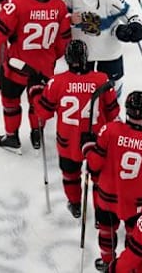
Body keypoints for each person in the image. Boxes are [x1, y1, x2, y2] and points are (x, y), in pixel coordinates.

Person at [84, 91, 142, 272]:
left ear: (127, 109)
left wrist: (87, 147)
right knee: (135, 235)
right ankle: (129, 266)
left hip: (107, 196)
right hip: (138, 201)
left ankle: (108, 262)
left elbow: (94, 165)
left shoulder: (109, 130)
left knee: (107, 231)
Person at [0, 0, 71, 153]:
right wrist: (49, 56)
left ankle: (12, 137)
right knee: (38, 103)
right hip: (44, 67)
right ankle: (37, 133)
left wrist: (11, 39)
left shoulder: (17, 3)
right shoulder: (60, 7)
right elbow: (64, 45)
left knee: (11, 101)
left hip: (16, 66)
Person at [36, 39, 120, 218]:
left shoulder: (56, 82)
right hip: (96, 140)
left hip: (68, 141)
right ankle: (100, 214)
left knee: (70, 174)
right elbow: (113, 113)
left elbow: (43, 113)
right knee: (99, 179)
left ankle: (75, 205)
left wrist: (37, 92)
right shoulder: (101, 79)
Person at [61, 0, 142, 97]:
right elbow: (59, 14)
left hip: (109, 52)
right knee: (82, 95)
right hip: (81, 53)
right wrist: (69, 18)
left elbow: (128, 13)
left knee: (112, 93)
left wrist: (136, 25)